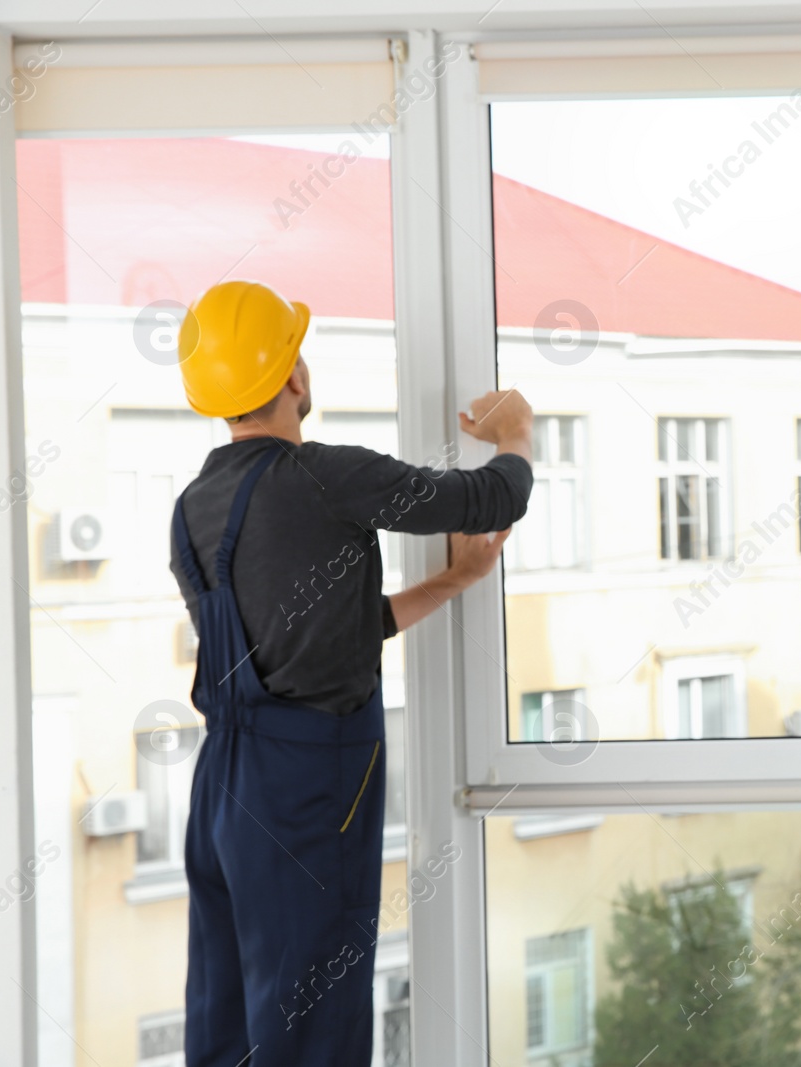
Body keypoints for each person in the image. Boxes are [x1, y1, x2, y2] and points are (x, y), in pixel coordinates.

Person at [166, 280, 534, 1065]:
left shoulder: (191, 509)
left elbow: (322, 638)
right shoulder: (324, 477)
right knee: (313, 1033)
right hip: (305, 793)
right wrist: (517, 433)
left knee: (227, 1024)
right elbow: (488, 497)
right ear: (293, 375)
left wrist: (450, 583)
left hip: (221, 793)